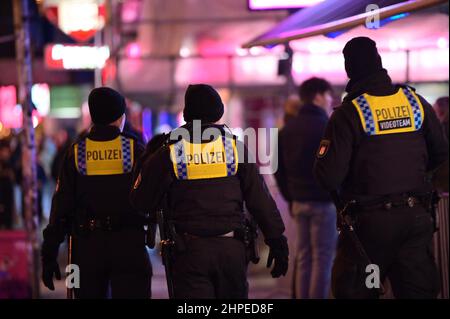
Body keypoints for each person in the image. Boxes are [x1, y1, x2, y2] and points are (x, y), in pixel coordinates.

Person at [314, 37, 449, 299]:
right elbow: (442, 154)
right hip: (416, 219)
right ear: (379, 63)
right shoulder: (415, 103)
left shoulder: (349, 113)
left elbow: (328, 177)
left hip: (370, 227)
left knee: (357, 290)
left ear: (349, 69)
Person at [130, 84, 289, 299]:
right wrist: (276, 239)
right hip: (231, 250)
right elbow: (259, 199)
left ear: (187, 114)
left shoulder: (170, 151)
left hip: (189, 252)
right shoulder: (235, 148)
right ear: (218, 112)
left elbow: (141, 201)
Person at [41, 87, 151, 299]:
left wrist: (49, 253)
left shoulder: (76, 153)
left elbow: (61, 206)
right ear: (121, 118)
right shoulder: (135, 149)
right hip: (129, 245)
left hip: (86, 247)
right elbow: (151, 198)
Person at [275, 77, 337, 299]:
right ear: (318, 96)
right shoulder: (328, 127)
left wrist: (291, 197)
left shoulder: (286, 130)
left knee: (303, 257)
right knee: (322, 258)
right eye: (328, 95)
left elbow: (278, 168)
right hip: (324, 202)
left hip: (299, 202)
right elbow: (337, 165)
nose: (330, 100)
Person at [0, 139, 15, 229]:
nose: (5, 153)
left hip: (8, 188)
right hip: (1, 188)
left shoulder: (10, 162)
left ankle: (8, 224)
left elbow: (13, 175)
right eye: (3, 151)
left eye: (7, 151)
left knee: (8, 206)